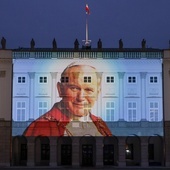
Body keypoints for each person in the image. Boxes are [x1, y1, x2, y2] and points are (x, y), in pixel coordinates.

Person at [23, 62, 112, 136]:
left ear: (98, 93)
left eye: (89, 90)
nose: (81, 97)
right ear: (60, 89)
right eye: (74, 88)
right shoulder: (40, 126)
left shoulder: (100, 125)